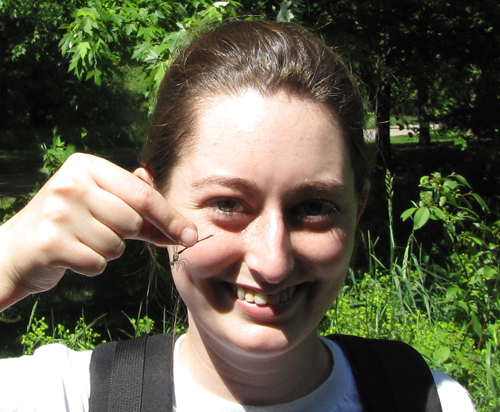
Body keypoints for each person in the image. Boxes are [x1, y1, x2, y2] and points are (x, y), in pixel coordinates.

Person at [0, 21, 475, 412]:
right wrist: (7, 265)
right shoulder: (62, 396)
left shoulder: (431, 401)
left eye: (313, 208)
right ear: (147, 205)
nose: (273, 261)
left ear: (359, 208)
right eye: (228, 204)